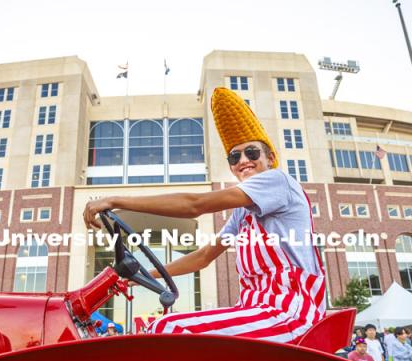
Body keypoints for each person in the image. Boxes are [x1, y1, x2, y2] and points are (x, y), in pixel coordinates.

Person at [83, 87, 326, 343]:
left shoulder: (277, 181)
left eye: (252, 153)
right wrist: (145, 275)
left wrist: (114, 200)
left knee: (168, 330)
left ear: (271, 159)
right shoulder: (243, 213)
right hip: (256, 310)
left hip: (292, 313)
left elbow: (195, 205)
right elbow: (202, 257)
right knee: (161, 328)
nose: (243, 160)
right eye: (235, 156)